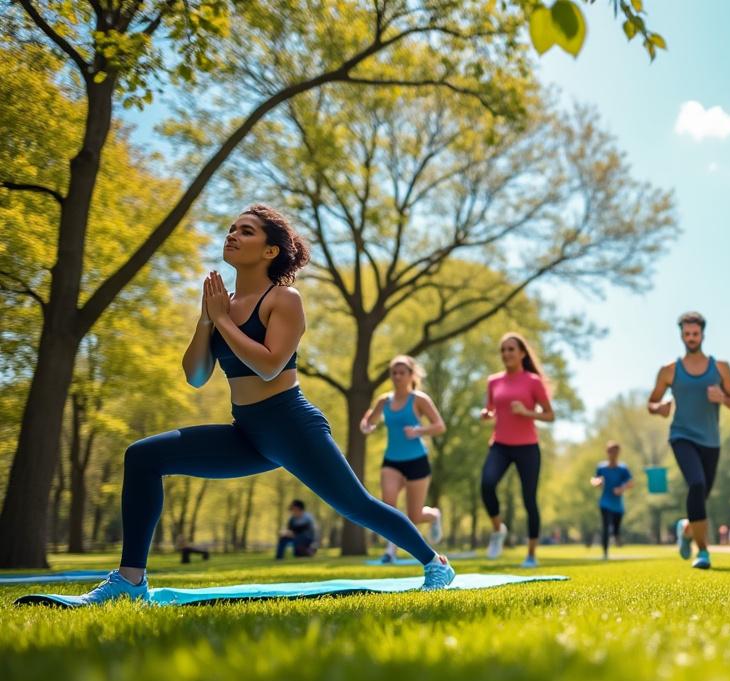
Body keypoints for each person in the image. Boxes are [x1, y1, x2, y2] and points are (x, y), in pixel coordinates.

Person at [64, 205, 455, 606]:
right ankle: (130, 582)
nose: (232, 235)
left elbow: (270, 365)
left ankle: (434, 563)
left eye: (246, 231)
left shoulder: (284, 299)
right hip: (247, 432)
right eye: (231, 229)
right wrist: (207, 320)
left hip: (292, 426)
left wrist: (225, 322)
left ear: (270, 251)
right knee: (144, 457)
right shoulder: (221, 304)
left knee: (356, 506)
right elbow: (196, 376)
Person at [648, 311, 730, 569]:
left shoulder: (720, 368)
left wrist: (722, 397)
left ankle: (687, 527)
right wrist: (661, 407)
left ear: (702, 334)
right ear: (681, 335)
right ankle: (703, 551)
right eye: (687, 334)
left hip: (711, 441)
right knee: (697, 484)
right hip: (681, 436)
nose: (691, 338)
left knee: (701, 495)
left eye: (695, 334)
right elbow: (651, 402)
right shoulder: (669, 370)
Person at [360, 354, 446, 563]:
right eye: (394, 373)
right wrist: (366, 424)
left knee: (414, 516)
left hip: (417, 461)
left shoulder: (419, 399)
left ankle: (433, 516)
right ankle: (391, 551)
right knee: (389, 506)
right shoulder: (384, 401)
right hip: (392, 461)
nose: (397, 376)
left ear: (411, 375)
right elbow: (369, 420)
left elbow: (439, 426)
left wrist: (419, 431)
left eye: (402, 373)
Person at [479, 332, 554, 568]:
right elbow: (491, 409)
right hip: (500, 444)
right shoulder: (494, 381)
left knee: (529, 500)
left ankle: (531, 554)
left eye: (511, 349)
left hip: (527, 447)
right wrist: (487, 414)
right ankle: (498, 528)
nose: (506, 354)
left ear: (522, 353)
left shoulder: (533, 381)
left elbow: (550, 415)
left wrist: (527, 412)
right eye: (503, 350)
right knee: (487, 484)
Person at [589, 441, 634, 559]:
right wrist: (596, 482)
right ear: (606, 452)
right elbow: (595, 480)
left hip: (618, 505)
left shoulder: (623, 468)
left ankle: (616, 536)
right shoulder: (601, 467)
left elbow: (630, 482)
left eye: (614, 451)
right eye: (609, 451)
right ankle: (605, 553)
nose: (612, 454)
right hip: (605, 502)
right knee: (605, 527)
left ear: (618, 453)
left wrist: (621, 489)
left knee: (616, 529)